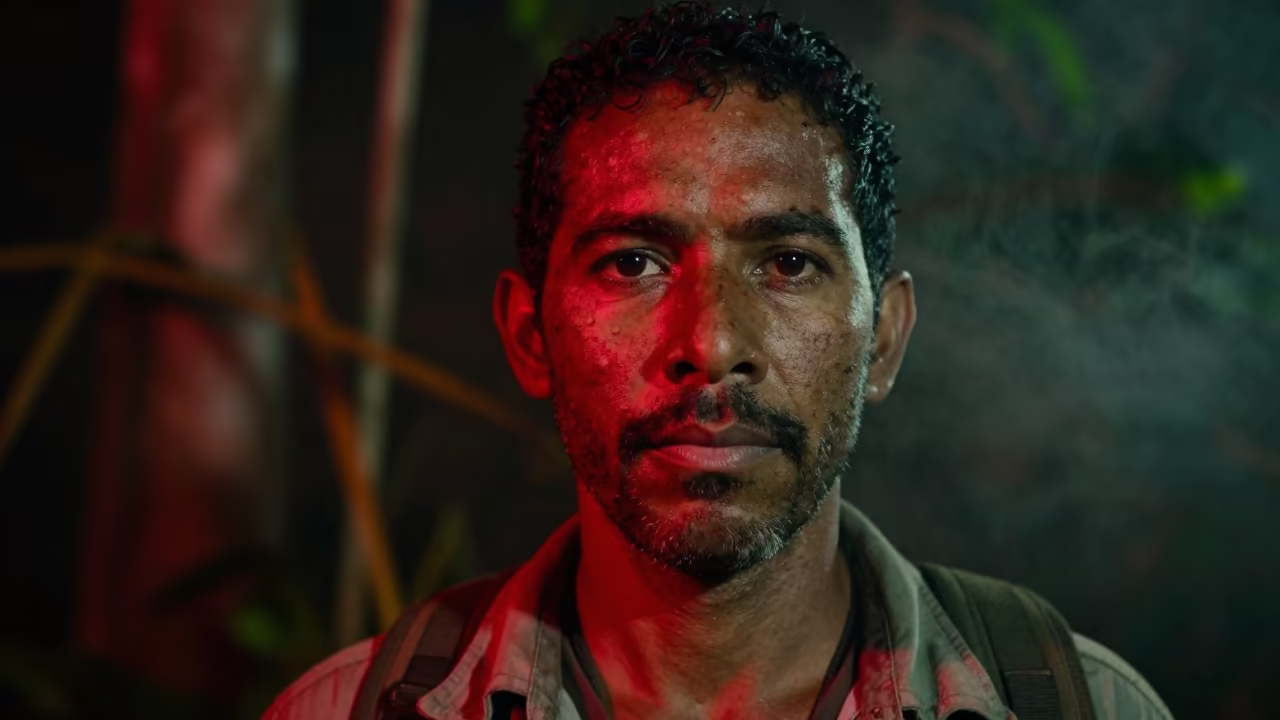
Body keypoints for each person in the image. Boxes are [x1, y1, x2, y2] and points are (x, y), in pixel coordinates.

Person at [264, 3, 1173, 719]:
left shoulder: (1081, 704)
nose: (712, 345)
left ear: (884, 339)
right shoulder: (342, 710)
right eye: (634, 264)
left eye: (787, 264)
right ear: (530, 335)